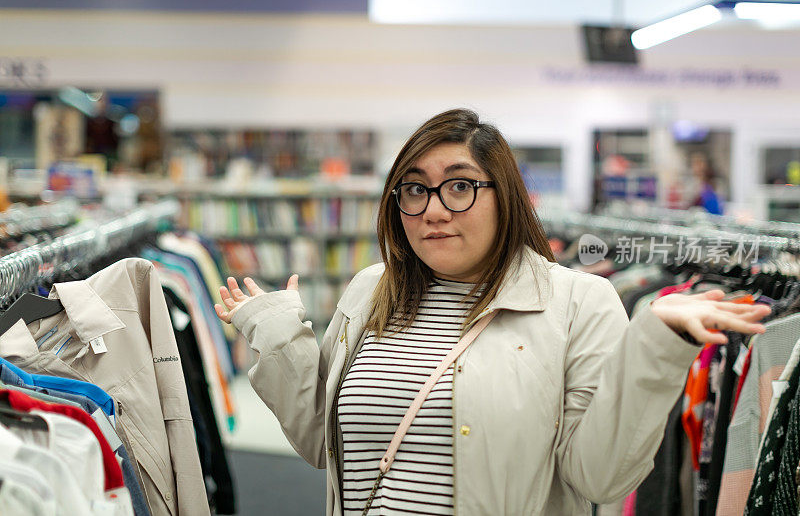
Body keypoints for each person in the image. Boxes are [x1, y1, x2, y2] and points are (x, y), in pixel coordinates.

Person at [214, 109, 770, 515]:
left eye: (459, 186)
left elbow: (600, 477)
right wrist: (277, 332)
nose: (433, 210)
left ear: (504, 194)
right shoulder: (371, 290)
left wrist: (657, 348)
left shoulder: (578, 302)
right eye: (414, 190)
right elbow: (321, 442)